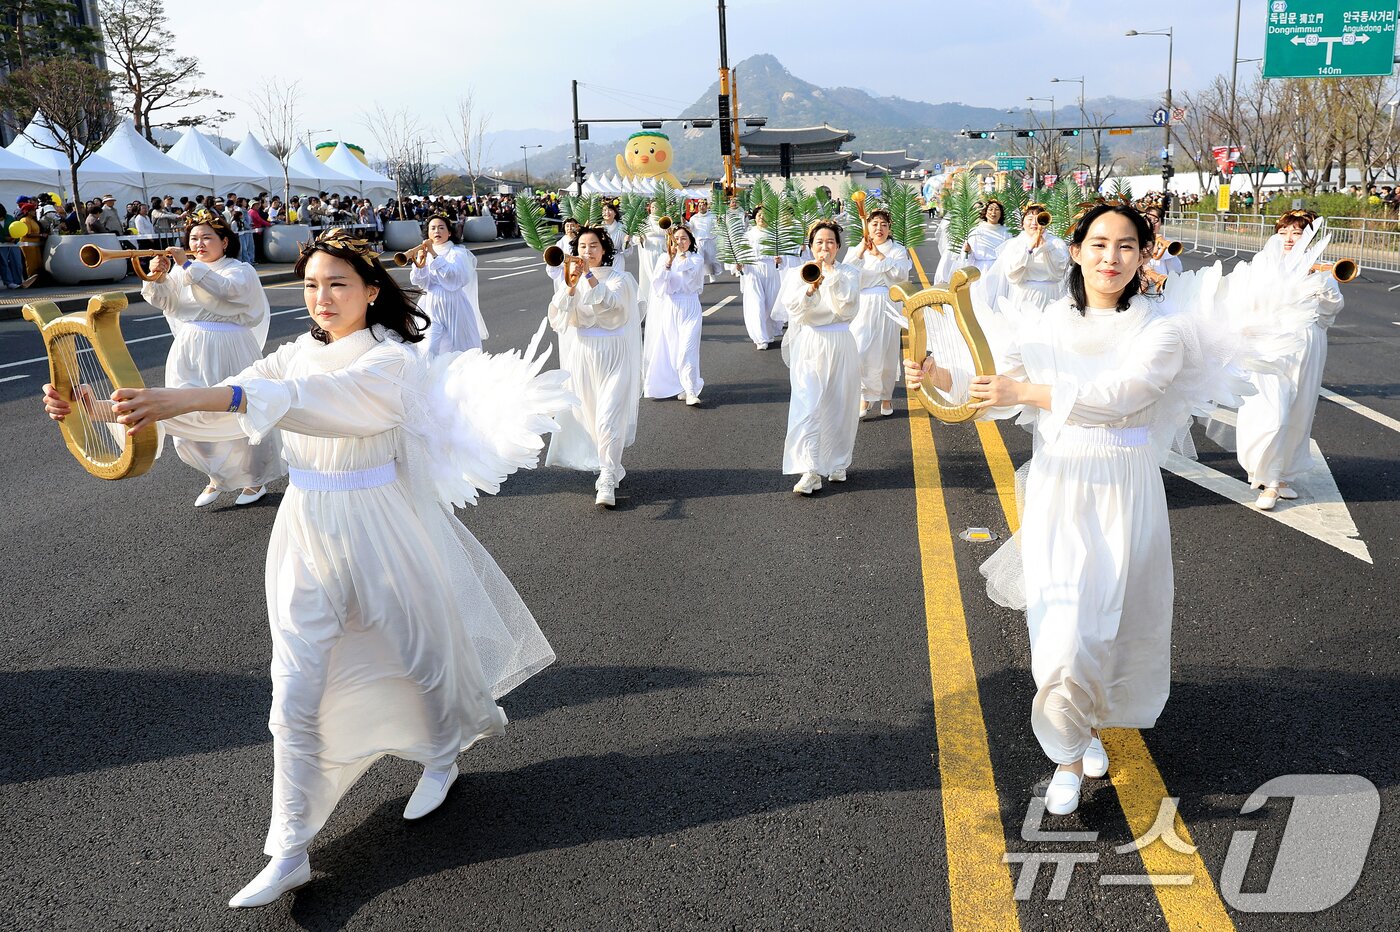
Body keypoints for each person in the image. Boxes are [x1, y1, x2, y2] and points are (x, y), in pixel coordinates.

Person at [43, 227, 562, 909]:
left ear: (372, 290)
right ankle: (288, 848)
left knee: (421, 656)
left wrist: (190, 399)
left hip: (380, 525)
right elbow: (228, 399)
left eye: (337, 283)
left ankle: (441, 754)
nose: (321, 296)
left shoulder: (392, 361)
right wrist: (101, 407)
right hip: (305, 530)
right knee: (292, 688)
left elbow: (307, 404)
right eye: (312, 283)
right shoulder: (292, 353)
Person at [910, 203, 1186, 817]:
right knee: (1062, 637)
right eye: (1098, 244)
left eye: (1125, 246)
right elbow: (994, 388)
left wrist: (1028, 392)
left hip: (1126, 492)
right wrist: (938, 374)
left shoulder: (1160, 332)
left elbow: (1120, 397)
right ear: (1077, 251)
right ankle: (1065, 752)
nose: (1110, 257)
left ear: (1144, 256)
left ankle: (1084, 728)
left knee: (1110, 630)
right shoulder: (1046, 328)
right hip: (1060, 488)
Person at [141, 210, 283, 507]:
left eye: (207, 237)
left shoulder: (239, 270)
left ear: (225, 241)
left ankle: (254, 479)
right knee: (186, 410)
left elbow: (226, 291)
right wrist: (156, 277)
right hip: (189, 348)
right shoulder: (181, 271)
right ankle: (217, 475)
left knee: (238, 410)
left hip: (230, 344)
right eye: (194, 238)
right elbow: (164, 302)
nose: (199, 243)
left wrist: (186, 264)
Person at [1233, 210, 1344, 510]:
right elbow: (1244, 304)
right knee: (1271, 411)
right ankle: (1267, 480)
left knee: (1297, 412)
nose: (1289, 238)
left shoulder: (1320, 270)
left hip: (1307, 346)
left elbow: (1332, 309)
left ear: (1309, 237)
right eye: (1284, 232)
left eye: (1297, 233)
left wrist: (1316, 280)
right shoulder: (1262, 266)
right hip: (1269, 347)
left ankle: (1280, 476)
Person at [545, 226, 642, 508]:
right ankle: (610, 464)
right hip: (583, 355)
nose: (588, 252)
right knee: (589, 420)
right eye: (583, 247)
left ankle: (607, 479)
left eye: (594, 246)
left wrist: (587, 276)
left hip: (614, 354)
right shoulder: (568, 281)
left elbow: (611, 307)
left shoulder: (621, 279)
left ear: (604, 249)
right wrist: (572, 285)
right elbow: (558, 315)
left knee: (608, 418)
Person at [777, 220, 861, 496]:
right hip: (811, 342)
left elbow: (847, 307)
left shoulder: (849, 272)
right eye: (819, 243)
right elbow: (792, 307)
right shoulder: (797, 273)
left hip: (840, 340)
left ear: (838, 246)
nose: (824, 248)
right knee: (807, 404)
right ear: (810, 246)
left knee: (840, 404)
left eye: (830, 242)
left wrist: (831, 276)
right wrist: (811, 288)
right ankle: (809, 470)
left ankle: (837, 462)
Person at [844, 208, 913, 418]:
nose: (879, 228)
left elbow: (901, 274)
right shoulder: (858, 249)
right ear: (867, 226)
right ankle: (865, 398)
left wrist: (880, 256)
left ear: (889, 227)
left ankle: (885, 397)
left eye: (883, 224)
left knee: (886, 352)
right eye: (874, 224)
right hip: (863, 305)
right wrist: (861, 252)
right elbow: (845, 273)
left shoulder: (897, 250)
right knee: (862, 352)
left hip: (888, 304)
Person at [643, 224, 706, 406]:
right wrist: (669, 261)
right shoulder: (664, 258)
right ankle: (681, 386)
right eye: (676, 238)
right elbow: (658, 284)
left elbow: (691, 275)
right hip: (671, 307)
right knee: (674, 351)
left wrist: (678, 256)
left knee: (687, 350)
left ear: (690, 240)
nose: (680, 242)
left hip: (690, 305)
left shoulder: (696, 259)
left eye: (684, 238)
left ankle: (692, 390)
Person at [409, 214, 485, 355]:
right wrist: (420, 264)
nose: (437, 231)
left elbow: (454, 278)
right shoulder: (423, 253)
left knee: (458, 347)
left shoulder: (458, 253)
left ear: (449, 232)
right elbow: (421, 282)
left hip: (454, 304)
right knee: (429, 347)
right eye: (433, 228)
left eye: (441, 228)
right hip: (431, 304)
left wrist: (433, 254)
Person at [984, 204, 1071, 314]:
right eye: (1030, 219)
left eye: (1038, 219)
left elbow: (1061, 268)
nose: (1034, 223)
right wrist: (1029, 249)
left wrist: (1047, 247)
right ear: (1023, 223)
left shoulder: (1056, 243)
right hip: (1024, 295)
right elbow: (1011, 272)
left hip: (1050, 295)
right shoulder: (1014, 244)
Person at [738, 206, 784, 350]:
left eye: (764, 215)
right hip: (753, 270)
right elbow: (741, 254)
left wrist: (779, 260)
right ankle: (760, 338)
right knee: (756, 305)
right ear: (755, 217)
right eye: (759, 215)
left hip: (770, 269)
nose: (761, 218)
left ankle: (769, 333)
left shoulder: (775, 234)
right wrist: (739, 265)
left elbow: (783, 254)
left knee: (770, 304)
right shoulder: (748, 235)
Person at [961, 199, 1012, 273]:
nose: (993, 213)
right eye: (990, 209)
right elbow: (968, 258)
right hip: (980, 271)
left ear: (1001, 213)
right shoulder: (976, 231)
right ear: (985, 213)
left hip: (1000, 271)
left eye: (997, 209)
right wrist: (968, 251)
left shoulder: (1007, 232)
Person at [1141, 207, 1183, 280]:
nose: (1152, 223)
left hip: (1162, 285)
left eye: (1156, 220)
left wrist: (1168, 250)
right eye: (1149, 219)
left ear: (1161, 222)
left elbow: (1177, 270)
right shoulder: (1137, 241)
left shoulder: (1166, 241)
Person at [688, 199, 720, 282]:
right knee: (699, 260)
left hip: (710, 240)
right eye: (699, 205)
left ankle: (711, 274)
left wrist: (719, 222)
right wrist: (684, 223)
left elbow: (717, 226)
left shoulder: (712, 216)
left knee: (710, 260)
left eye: (703, 205)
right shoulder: (694, 218)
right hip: (699, 242)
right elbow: (690, 227)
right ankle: (699, 278)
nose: (701, 207)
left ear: (706, 206)